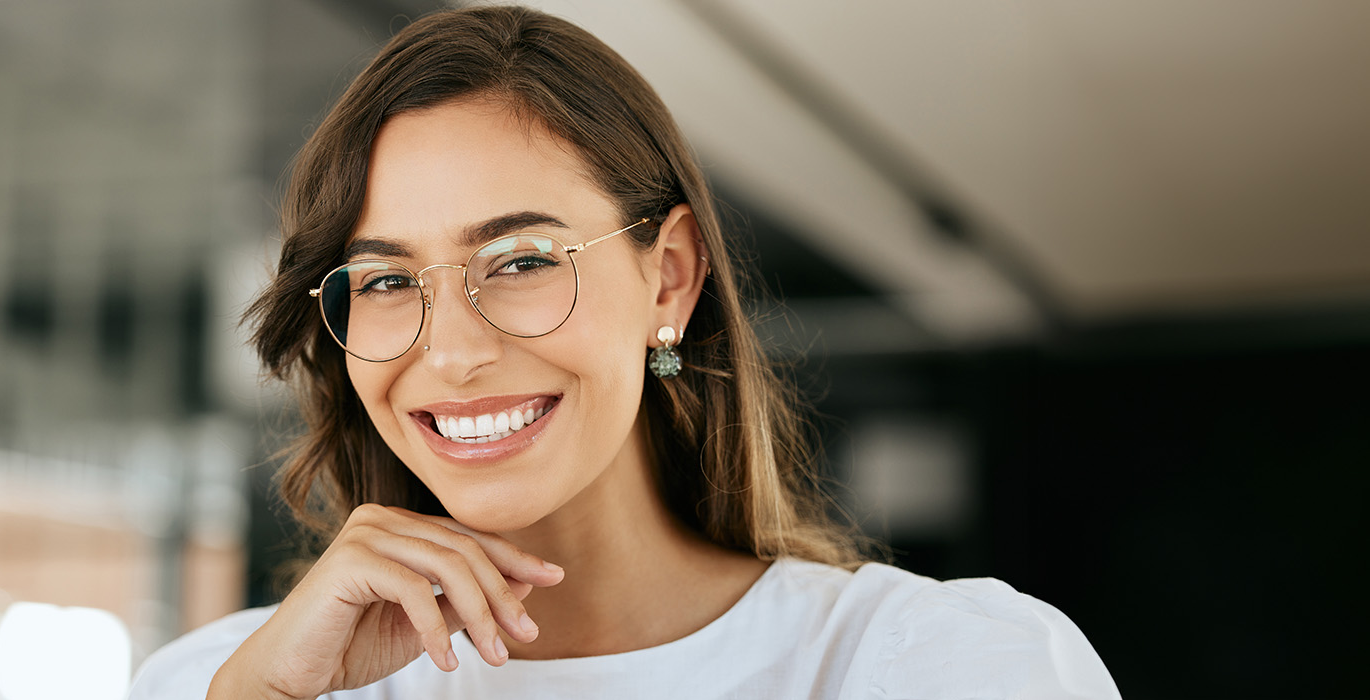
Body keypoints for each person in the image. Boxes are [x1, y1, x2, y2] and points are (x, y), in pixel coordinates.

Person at [129, 6, 1117, 699]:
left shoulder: (923, 669)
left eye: (517, 261)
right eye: (386, 280)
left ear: (669, 277)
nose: (455, 351)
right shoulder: (242, 677)